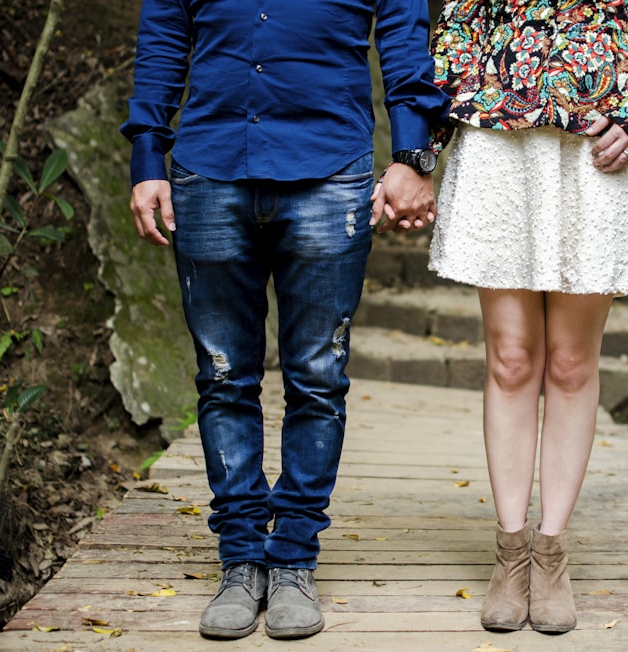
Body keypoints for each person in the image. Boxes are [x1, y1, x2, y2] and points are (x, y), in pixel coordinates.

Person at [120, 0, 448, 641]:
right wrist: (147, 159)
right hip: (208, 168)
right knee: (223, 377)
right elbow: (162, 36)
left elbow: (406, 37)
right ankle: (241, 557)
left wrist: (412, 153)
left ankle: (294, 556)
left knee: (318, 377)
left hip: (329, 170)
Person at [428, 0, 628, 634]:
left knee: (572, 365)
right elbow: (457, 23)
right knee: (512, 358)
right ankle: (510, 552)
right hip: (501, 142)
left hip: (598, 147)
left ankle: (551, 554)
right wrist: (474, 96)